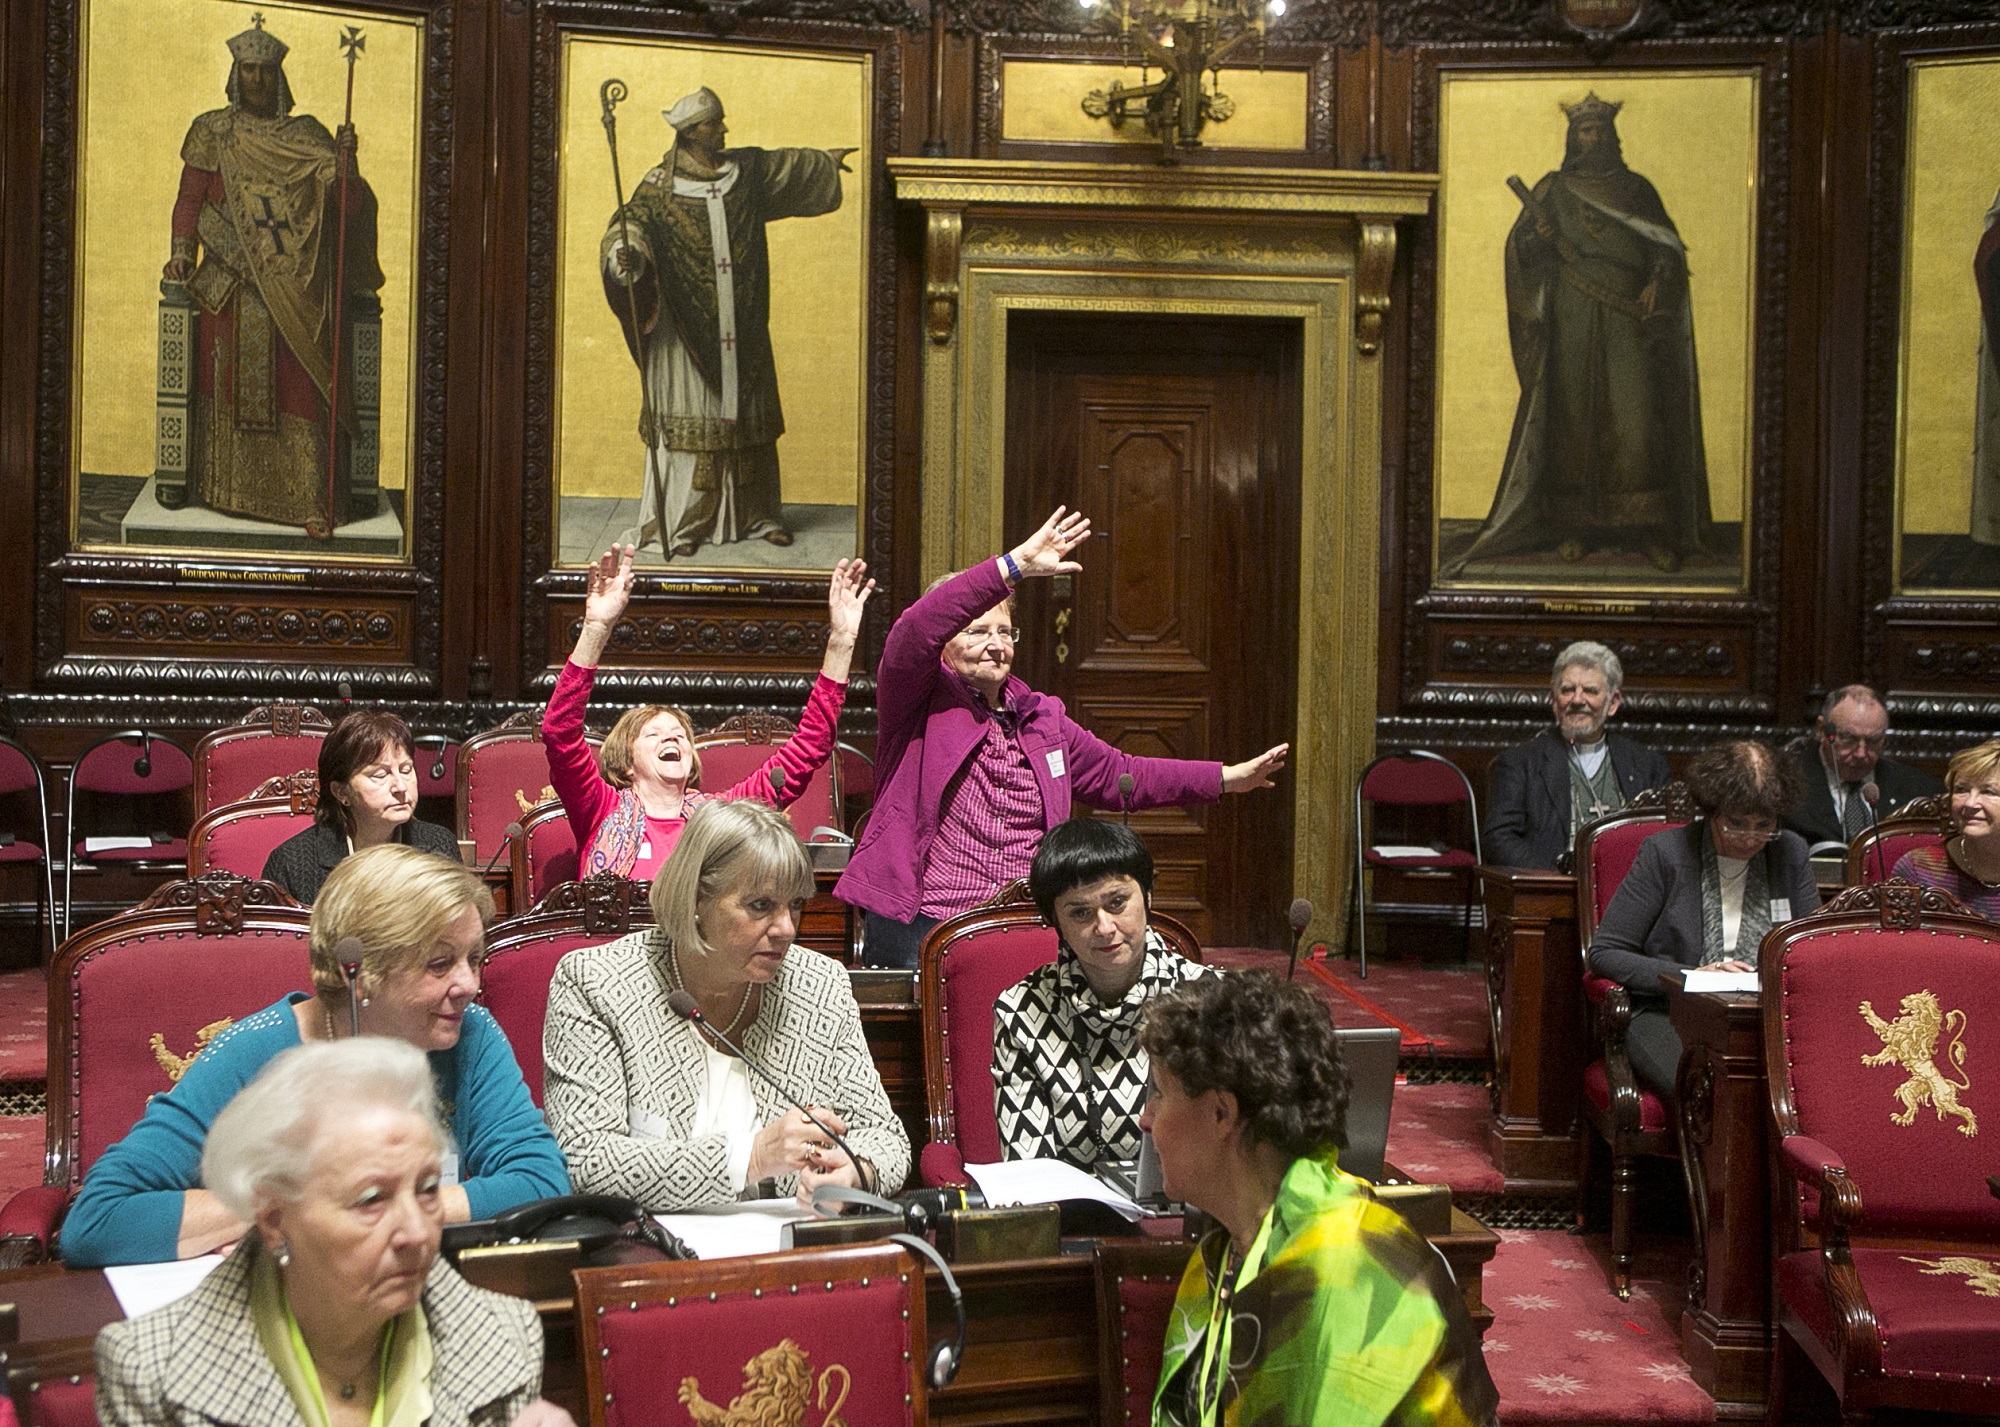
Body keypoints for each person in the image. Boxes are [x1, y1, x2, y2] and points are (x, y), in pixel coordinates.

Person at [62, 845, 570, 1267]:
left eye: (474, 959)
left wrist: (371, 1209)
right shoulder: (256, 1052)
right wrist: (302, 1214)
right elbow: (100, 1220)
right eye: (440, 964)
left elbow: (539, 1181)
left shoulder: (470, 1036)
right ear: (360, 971)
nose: (470, 985)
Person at [835, 507, 1289, 969]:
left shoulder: (1040, 717)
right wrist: (1011, 567)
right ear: (943, 645)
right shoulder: (916, 699)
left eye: (1005, 632)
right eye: (976, 631)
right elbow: (915, 630)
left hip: (1027, 919)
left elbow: (1122, 773)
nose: (996, 644)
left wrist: (1228, 778)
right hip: (927, 921)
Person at [94, 1039, 573, 1427]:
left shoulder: (506, 1338)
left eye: (428, 1190)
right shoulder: (150, 1371)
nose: (417, 1233)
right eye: (371, 1200)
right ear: (275, 1222)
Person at [1138, 972, 1499, 1427]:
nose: (1146, 1119)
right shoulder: (1230, 1246)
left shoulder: (1345, 1270)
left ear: (1220, 1112)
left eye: (1159, 1094)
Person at [543, 799, 908, 1209]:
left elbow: (886, 1137)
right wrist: (750, 1158)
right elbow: (583, 1161)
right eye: (760, 906)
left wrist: (859, 1171)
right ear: (697, 899)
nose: (787, 929)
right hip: (645, 1251)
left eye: (796, 905)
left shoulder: (820, 986)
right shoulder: (599, 982)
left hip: (788, 1249)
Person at [1445, 92, 1712, 577]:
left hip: (1628, 318)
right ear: (1574, 137)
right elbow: (1522, 252)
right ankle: (1576, 525)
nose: (1593, 138)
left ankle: (1650, 527)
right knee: (1574, 416)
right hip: (1571, 311)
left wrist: (1658, 278)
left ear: (1612, 136)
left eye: (1600, 130)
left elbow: (1667, 247)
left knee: (1636, 419)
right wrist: (1535, 237)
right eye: (1585, 131)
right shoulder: (1553, 189)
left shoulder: (1637, 190)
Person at [602, 86, 856, 557]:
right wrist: (627, 253)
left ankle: (759, 517)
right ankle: (683, 526)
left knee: (749, 421)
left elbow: (786, 167)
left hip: (742, 323)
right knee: (692, 420)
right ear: (691, 133)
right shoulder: (659, 187)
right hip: (682, 330)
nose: (723, 129)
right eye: (714, 123)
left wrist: (825, 161)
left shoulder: (745, 174)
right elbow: (628, 224)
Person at [162, 14, 382, 529]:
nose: (255, 79)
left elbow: (346, 207)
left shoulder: (307, 136)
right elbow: (189, 199)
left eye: (263, 70)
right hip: (229, 288)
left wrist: (347, 167)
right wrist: (180, 252)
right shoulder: (212, 130)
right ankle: (221, 490)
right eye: (247, 69)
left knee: (299, 387)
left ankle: (307, 503)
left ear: (278, 77)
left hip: (296, 289)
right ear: (235, 74)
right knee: (228, 387)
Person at [546, 544, 872, 880]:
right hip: (618, 934)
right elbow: (560, 734)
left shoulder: (721, 818)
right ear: (627, 764)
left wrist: (842, 639)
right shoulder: (599, 808)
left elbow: (812, 744)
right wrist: (596, 628)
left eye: (679, 735)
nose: (672, 738)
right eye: (654, 734)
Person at [1587, 740, 1820, 1098]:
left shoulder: (1789, 852)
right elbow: (1605, 953)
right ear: (1712, 812)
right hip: (1669, 1013)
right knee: (1711, 1091)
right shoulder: (1665, 853)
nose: (1750, 838)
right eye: (1736, 823)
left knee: (1806, 1091)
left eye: (1764, 825)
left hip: (1764, 1017)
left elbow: (1810, 952)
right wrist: (1693, 978)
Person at [990, 819, 1211, 1168]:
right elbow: (1029, 1171)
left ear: (1148, 897)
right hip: (1070, 1218)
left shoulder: (1211, 999)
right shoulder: (1022, 1011)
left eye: (1117, 903)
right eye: (1080, 913)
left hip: (1190, 1213)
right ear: (1055, 922)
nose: (1104, 927)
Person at [1481, 641, 1671, 870]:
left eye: (1590, 690)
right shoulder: (1519, 763)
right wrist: (1554, 880)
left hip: (1631, 894)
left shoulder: (1647, 765)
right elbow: (1498, 839)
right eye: (1568, 690)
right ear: (1554, 701)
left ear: (1613, 703)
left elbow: (1667, 837)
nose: (1577, 700)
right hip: (1551, 895)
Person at [262, 710, 460, 904]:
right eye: (380, 775)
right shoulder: (292, 863)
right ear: (342, 792)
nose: (401, 787)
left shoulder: (438, 845)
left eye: (406, 770)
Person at [1780, 685, 1941, 852]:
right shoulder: (1785, 785)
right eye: (1849, 738)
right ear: (1822, 730)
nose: (1861, 753)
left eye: (1873, 740)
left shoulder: (1918, 791)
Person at [1890, 738, 2000, 919]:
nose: (1970, 803)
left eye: (1988, 792)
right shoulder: (1918, 869)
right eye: (1961, 790)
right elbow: (1899, 944)